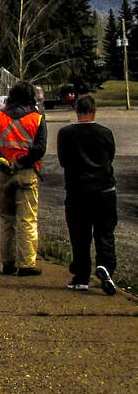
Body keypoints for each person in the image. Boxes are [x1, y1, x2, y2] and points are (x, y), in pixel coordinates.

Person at [0, 80, 47, 277]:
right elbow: (40, 148)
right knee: (27, 219)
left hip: (3, 173)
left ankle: (8, 262)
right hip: (26, 172)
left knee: (6, 220)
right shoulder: (36, 119)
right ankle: (26, 263)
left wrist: (2, 159)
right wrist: (22, 162)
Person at [56, 95, 118, 295]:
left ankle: (81, 275)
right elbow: (111, 156)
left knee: (80, 234)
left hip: (77, 190)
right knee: (105, 232)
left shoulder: (65, 134)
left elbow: (63, 160)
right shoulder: (105, 133)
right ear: (94, 111)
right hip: (104, 190)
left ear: (76, 111)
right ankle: (106, 266)